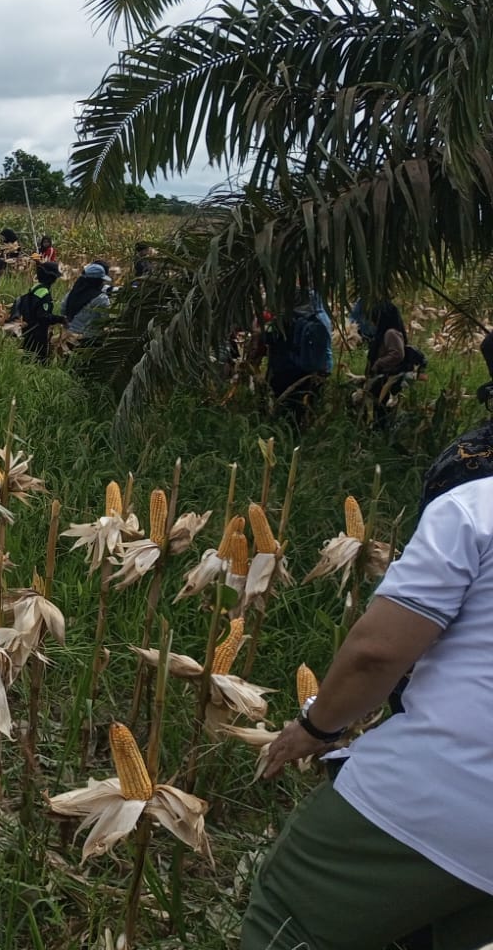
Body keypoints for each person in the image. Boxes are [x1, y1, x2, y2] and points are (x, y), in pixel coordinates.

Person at [243, 410, 493, 949]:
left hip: (439, 796)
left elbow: (377, 654)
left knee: (286, 923)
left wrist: (316, 728)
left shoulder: (476, 506)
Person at [364, 301, 423, 426]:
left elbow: (397, 354)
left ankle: (380, 431)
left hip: (387, 376)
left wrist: (379, 363)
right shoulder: (390, 332)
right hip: (384, 376)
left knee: (382, 407)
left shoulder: (390, 333)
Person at [17, 260, 64, 361]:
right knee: (38, 358)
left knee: (27, 355)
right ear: (52, 278)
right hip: (38, 332)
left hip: (28, 328)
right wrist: (60, 319)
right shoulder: (44, 294)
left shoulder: (35, 288)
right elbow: (43, 316)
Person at [63, 262, 112, 342]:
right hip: (89, 340)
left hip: (69, 336)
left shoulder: (71, 294)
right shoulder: (102, 298)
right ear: (98, 281)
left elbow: (63, 311)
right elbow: (105, 321)